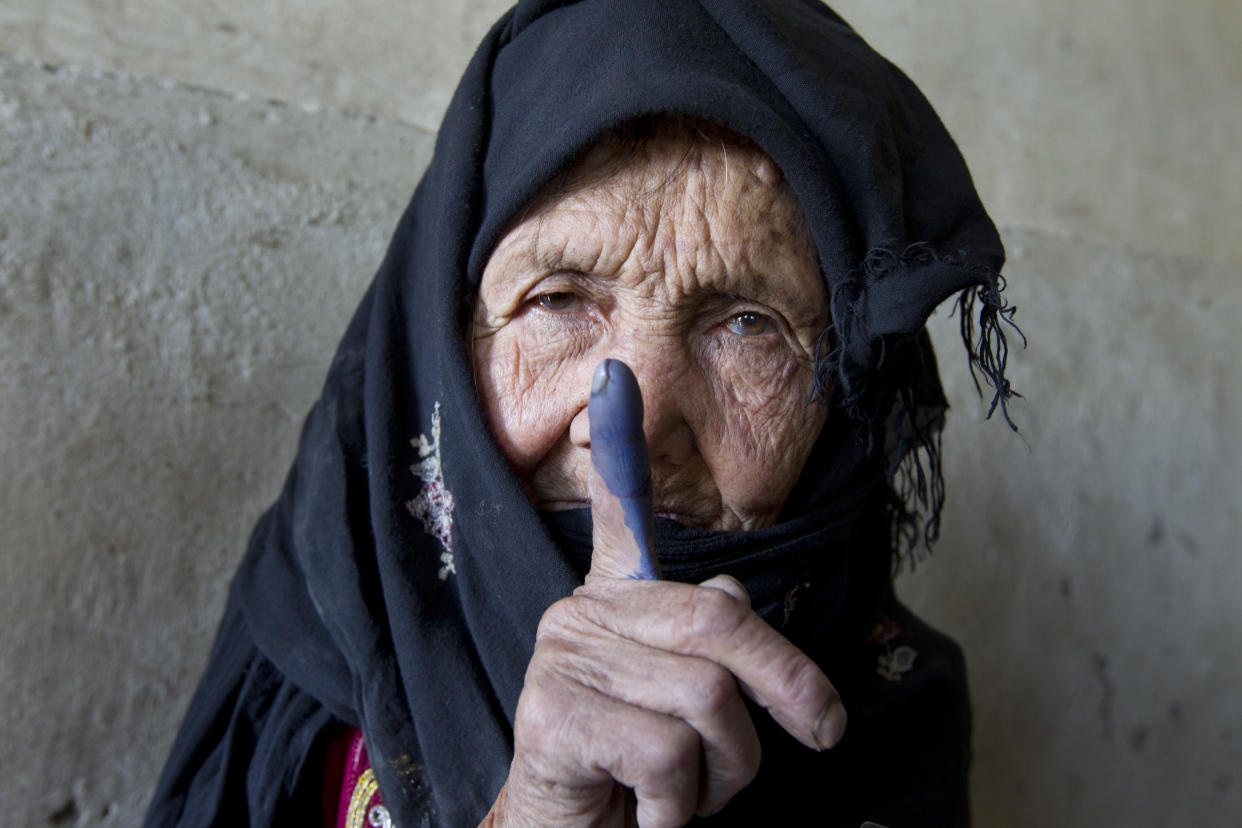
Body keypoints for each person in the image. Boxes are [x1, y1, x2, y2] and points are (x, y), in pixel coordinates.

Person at [147, 1, 1019, 826]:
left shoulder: (893, 714)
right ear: (441, 344)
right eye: (559, 300)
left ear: (842, 399)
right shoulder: (312, 641)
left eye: (747, 324)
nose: (632, 425)